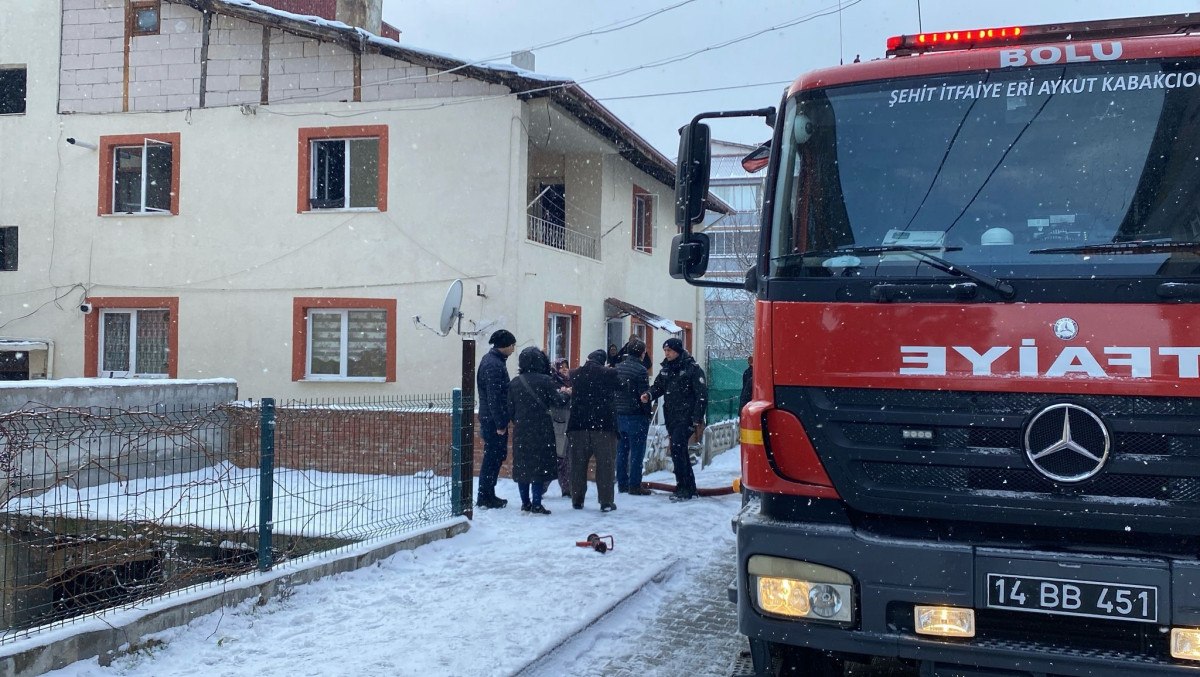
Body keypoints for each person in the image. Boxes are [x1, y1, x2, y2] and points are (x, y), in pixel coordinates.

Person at [642, 337, 707, 502]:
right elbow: (658, 387)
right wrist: (649, 395)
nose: (667, 353)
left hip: (686, 417)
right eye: (665, 350)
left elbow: (701, 395)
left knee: (677, 448)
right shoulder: (666, 369)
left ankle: (683, 487)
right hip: (671, 416)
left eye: (669, 350)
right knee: (680, 450)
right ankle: (689, 486)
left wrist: (697, 418)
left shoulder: (692, 369)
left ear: (677, 351)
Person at [508, 347, 569, 515]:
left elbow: (510, 409)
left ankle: (525, 503)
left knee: (523, 466)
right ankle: (536, 503)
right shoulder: (545, 381)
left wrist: (519, 421)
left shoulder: (515, 383)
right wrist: (567, 394)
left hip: (522, 430)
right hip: (542, 429)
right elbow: (558, 401)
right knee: (539, 467)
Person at [567, 349, 620, 512]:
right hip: (603, 426)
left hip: (578, 425)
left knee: (577, 464)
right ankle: (606, 501)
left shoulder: (574, 374)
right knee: (605, 465)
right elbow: (622, 386)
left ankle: (577, 500)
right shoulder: (608, 374)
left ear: (588, 359)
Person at [476, 329, 516, 509]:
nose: (513, 349)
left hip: (490, 417)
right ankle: (485, 496)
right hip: (492, 420)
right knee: (493, 457)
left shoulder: (493, 361)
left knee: (495, 456)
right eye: (512, 345)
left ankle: (488, 494)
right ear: (504, 345)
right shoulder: (493, 365)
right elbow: (494, 397)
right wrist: (500, 423)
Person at [613, 338, 652, 495]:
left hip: (619, 414)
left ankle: (622, 483)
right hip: (636, 415)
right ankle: (634, 484)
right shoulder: (641, 370)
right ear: (642, 353)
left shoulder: (618, 368)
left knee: (621, 451)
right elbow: (643, 396)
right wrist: (647, 412)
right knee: (637, 452)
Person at [549, 357, 573, 496]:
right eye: (561, 367)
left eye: (566, 366)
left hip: (569, 423)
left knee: (566, 457)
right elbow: (555, 400)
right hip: (558, 422)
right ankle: (543, 485)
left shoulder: (571, 381)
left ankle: (567, 488)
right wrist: (563, 393)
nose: (564, 369)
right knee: (558, 456)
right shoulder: (553, 381)